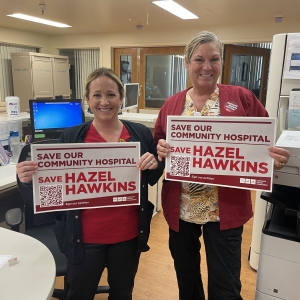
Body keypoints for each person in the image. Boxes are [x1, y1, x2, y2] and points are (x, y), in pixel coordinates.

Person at [153, 31, 290, 300]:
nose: (207, 67)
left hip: (223, 211)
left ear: (222, 62)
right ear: (187, 63)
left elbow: (264, 142)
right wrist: (160, 149)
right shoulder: (172, 104)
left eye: (214, 59)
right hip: (181, 208)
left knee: (225, 285)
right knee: (187, 279)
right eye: (199, 60)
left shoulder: (241, 98)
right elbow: (159, 139)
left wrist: (274, 160)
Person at [16, 67, 164, 300]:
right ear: (87, 100)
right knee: (79, 294)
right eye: (97, 95)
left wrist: (155, 163)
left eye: (111, 94)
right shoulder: (71, 137)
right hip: (83, 239)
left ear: (121, 98)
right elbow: (54, 189)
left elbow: (152, 177)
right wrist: (28, 179)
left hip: (127, 237)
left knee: (122, 294)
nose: (104, 102)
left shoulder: (139, 134)